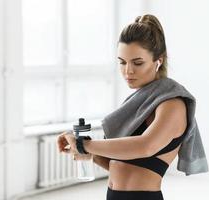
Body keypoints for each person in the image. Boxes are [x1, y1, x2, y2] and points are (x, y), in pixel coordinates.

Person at [57, 14, 187, 200]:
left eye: (137, 63)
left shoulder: (173, 104)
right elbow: (120, 165)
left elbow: (145, 146)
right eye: (122, 62)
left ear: (158, 60)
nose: (128, 71)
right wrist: (85, 150)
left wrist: (84, 144)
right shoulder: (137, 103)